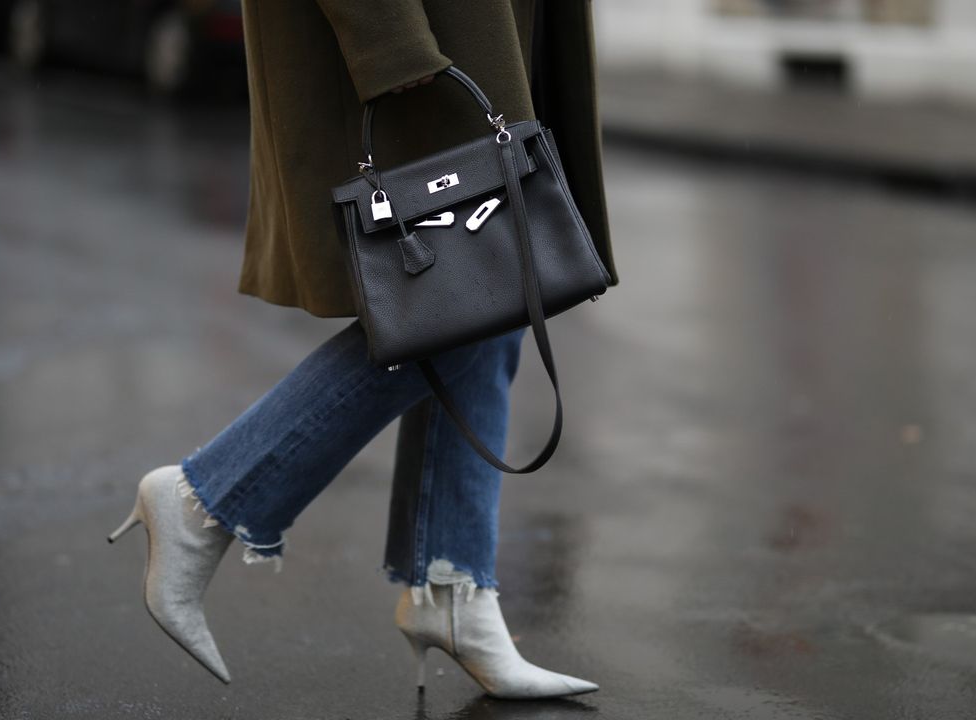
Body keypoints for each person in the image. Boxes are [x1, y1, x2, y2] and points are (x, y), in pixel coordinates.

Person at [107, 0, 617, 700]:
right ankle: (207, 497)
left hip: (491, 25)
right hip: (433, 29)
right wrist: (389, 36)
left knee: (489, 275)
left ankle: (453, 584)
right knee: (477, 279)